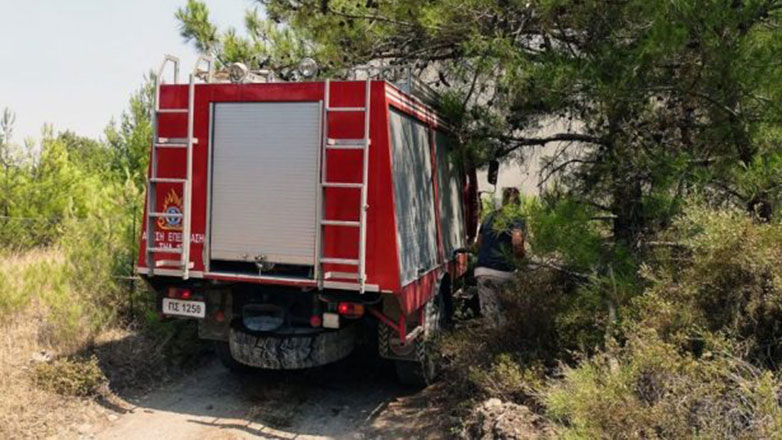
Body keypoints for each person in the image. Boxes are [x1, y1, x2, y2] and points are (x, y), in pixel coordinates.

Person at [475, 187, 525, 328]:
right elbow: (516, 241)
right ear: (518, 202)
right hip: (504, 272)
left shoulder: (488, 217)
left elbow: (478, 244)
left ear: (503, 201)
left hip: (483, 271)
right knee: (508, 315)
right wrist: (521, 257)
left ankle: (493, 336)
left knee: (491, 316)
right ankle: (505, 337)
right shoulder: (517, 219)